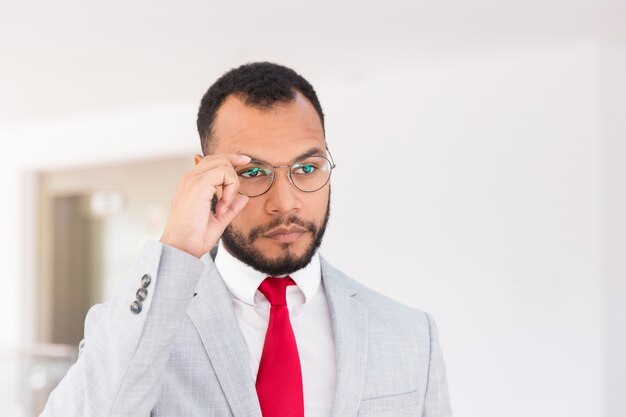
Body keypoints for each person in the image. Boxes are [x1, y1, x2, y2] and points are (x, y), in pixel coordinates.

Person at [41, 62, 452, 417]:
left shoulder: (411, 335)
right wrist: (176, 248)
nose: (285, 203)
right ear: (207, 176)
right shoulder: (135, 328)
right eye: (254, 173)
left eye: (307, 167)